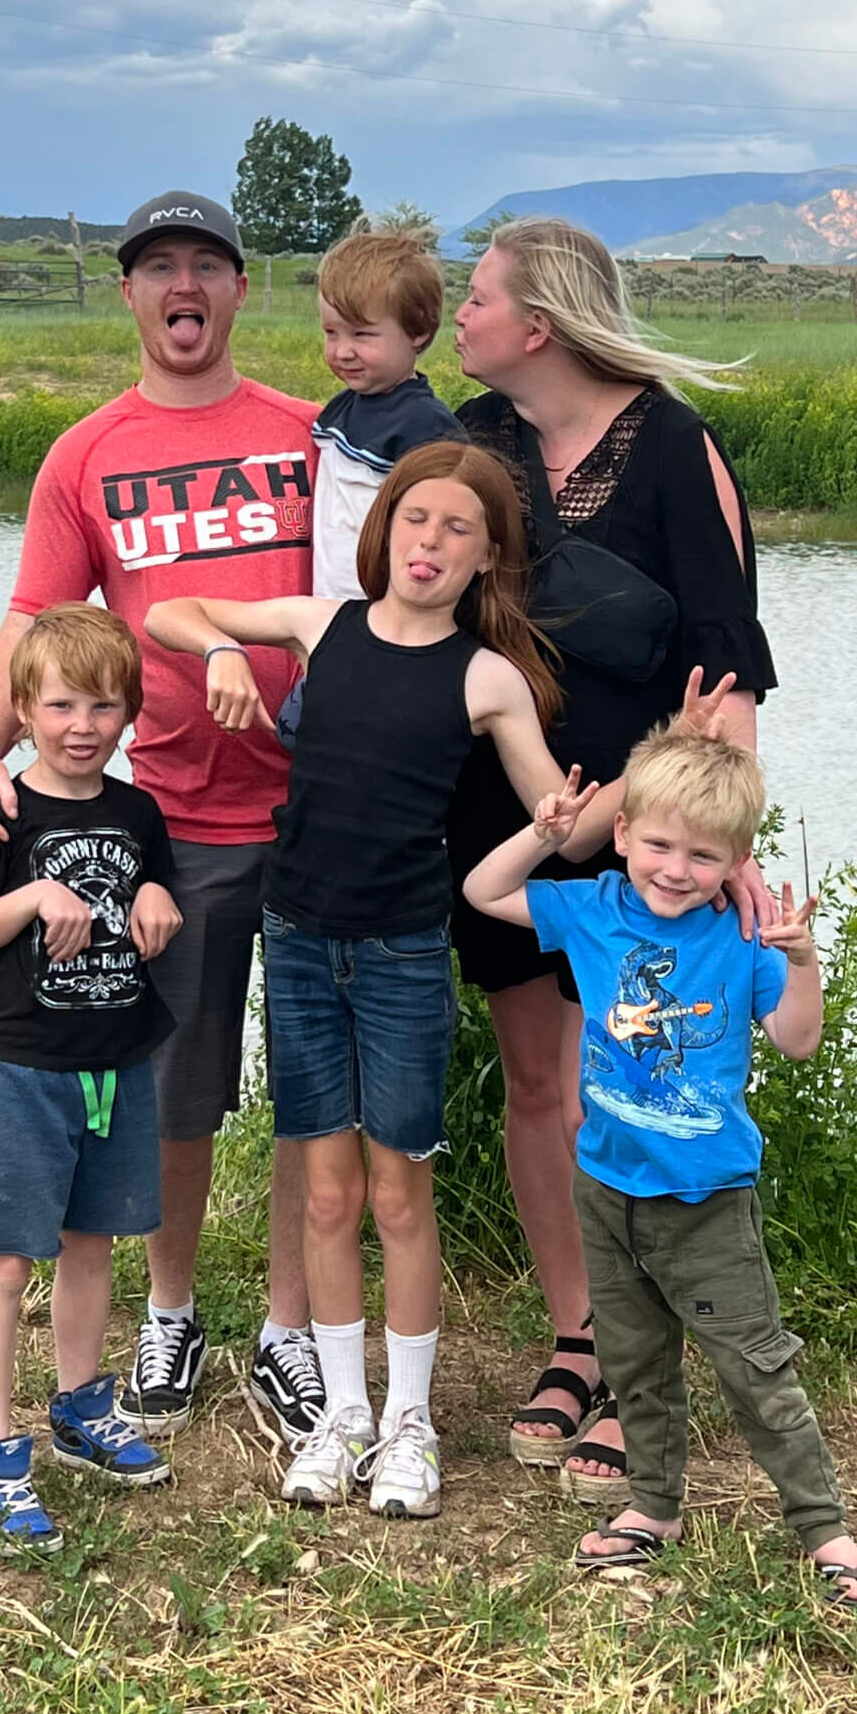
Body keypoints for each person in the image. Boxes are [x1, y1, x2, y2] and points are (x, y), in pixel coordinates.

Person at [0, 189, 328, 1451]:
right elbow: (33, 622)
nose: (184, 285)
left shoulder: (310, 436)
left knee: (314, 1089)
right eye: (158, 266)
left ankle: (290, 1326)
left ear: (238, 288)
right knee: (175, 1086)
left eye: (206, 265)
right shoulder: (86, 452)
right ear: (128, 293)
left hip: (323, 811)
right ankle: (171, 1308)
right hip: (171, 822)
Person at [149, 443, 580, 1520]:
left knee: (397, 1192)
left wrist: (640, 788)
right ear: (382, 529)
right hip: (297, 942)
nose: (430, 543)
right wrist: (219, 654)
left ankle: (410, 1424)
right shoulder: (318, 623)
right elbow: (170, 609)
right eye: (416, 520)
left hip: (399, 956)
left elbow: (556, 820)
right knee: (326, 1192)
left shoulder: (487, 676)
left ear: (487, 560)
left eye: (458, 531)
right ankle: (341, 1417)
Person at [448, 217, 779, 1488]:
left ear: (538, 325)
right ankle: (579, 1338)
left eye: (476, 299)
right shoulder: (478, 440)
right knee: (543, 1080)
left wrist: (725, 838)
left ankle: (651, 1357)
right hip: (506, 815)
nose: (460, 320)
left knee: (645, 1067)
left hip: (647, 839)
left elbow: (727, 664)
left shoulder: (680, 449)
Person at [465, 719, 857, 1606]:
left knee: (755, 1369)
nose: (674, 868)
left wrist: (802, 962)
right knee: (634, 1363)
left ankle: (825, 1528)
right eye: (656, 843)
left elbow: (799, 1042)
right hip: (605, 1189)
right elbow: (482, 890)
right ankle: (654, 1508)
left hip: (706, 1201)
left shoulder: (742, 942)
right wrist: (545, 834)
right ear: (620, 835)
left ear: (736, 861)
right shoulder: (590, 908)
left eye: (703, 855)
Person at [0, 605, 184, 1552]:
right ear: (26, 710)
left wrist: (160, 894)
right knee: (4, 1261)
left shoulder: (137, 811)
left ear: (130, 716)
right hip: (30, 1068)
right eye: (63, 705)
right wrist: (30, 895)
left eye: (104, 706)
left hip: (119, 1064)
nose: (83, 725)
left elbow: (153, 889)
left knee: (93, 1244)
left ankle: (82, 1407)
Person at [272, 226, 464, 747]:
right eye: (331, 334)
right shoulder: (341, 410)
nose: (343, 351)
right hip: (331, 620)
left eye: (362, 335)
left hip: (387, 625)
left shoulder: (426, 429)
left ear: (418, 331)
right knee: (296, 740)